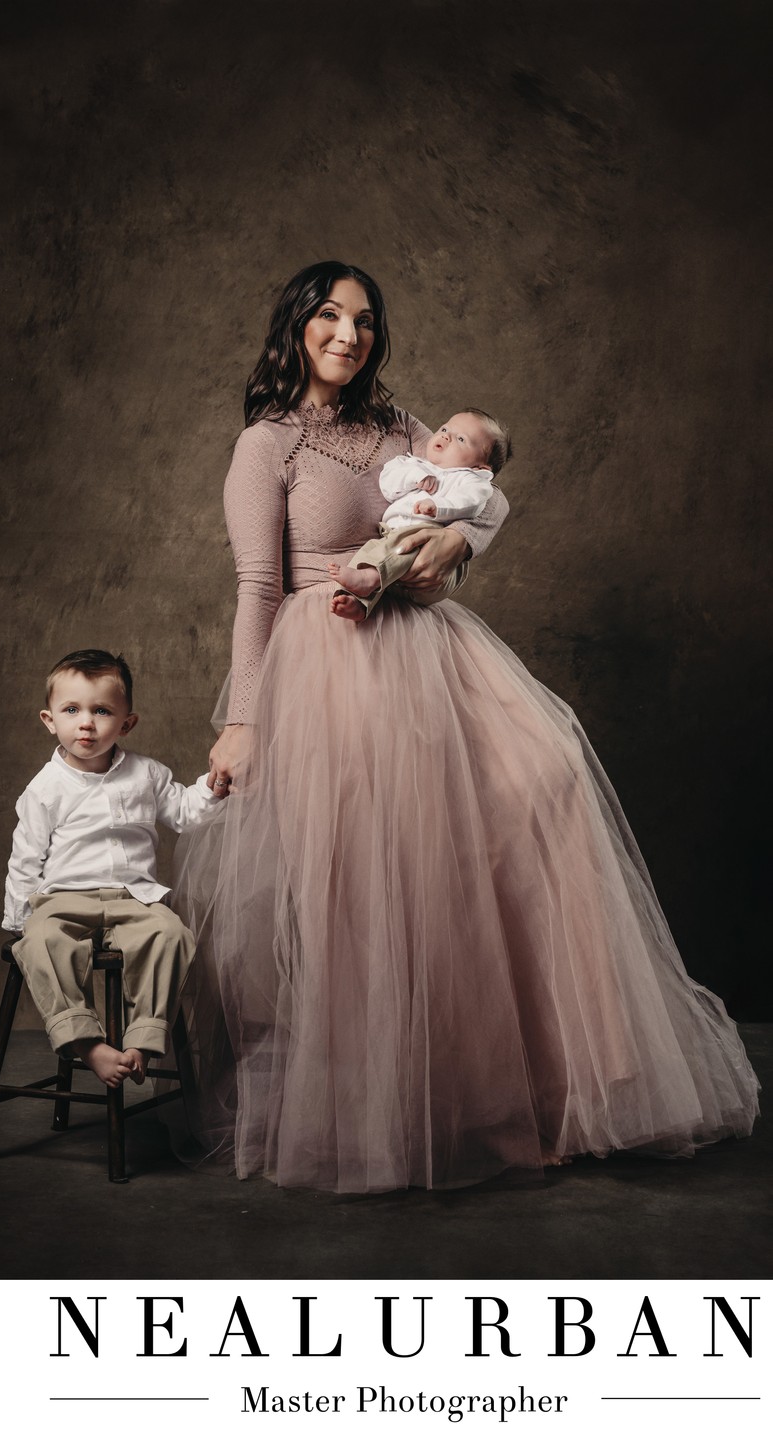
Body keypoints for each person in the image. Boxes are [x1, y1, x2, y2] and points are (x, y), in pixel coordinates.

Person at [172, 261, 759, 1192]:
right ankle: (393, 1101)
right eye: (328, 315)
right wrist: (242, 719)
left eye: (363, 320)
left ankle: (559, 1084)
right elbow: (258, 586)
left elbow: (481, 491)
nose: (347, 333)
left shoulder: (403, 427)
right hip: (326, 655)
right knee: (379, 867)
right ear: (296, 327)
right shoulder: (267, 444)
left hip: (428, 647)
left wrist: (460, 543)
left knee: (547, 780)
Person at [4, 648, 220, 1088]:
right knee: (42, 940)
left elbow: (184, 813)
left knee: (172, 935)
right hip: (64, 898)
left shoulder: (147, 774)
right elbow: (25, 856)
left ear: (126, 723)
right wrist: (19, 920)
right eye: (72, 710)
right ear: (50, 720)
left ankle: (142, 1038)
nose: (86, 722)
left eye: (101, 711)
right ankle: (87, 1043)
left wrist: (214, 785)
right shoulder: (45, 788)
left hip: (134, 897)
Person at [327, 408, 510, 621]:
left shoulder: (469, 479)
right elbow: (388, 484)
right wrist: (417, 475)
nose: (445, 436)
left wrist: (439, 507)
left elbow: (475, 501)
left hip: (428, 548)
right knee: (376, 549)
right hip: (392, 539)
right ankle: (358, 603)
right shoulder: (412, 463)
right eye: (444, 428)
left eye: (460, 438)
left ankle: (369, 577)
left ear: (480, 468)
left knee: (400, 544)